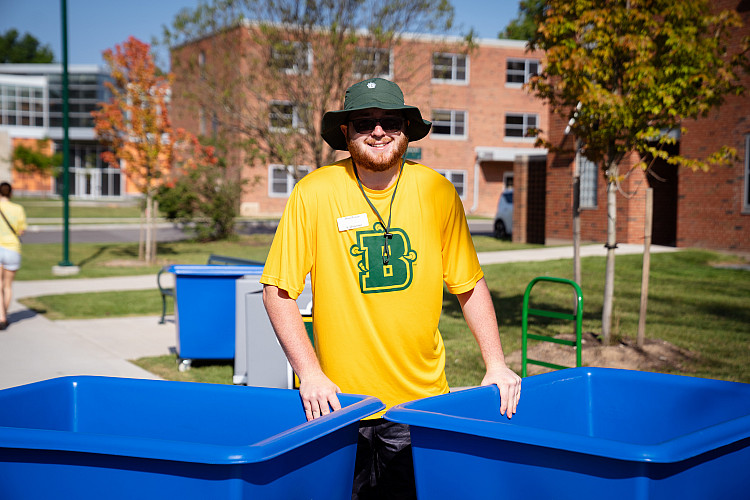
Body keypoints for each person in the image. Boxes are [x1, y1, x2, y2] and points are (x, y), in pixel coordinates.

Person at [260, 78, 521, 499]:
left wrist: (496, 362)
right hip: (339, 405)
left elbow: (468, 284)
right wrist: (309, 374)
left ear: (405, 129)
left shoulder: (437, 191)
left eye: (390, 122)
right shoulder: (315, 192)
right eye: (365, 122)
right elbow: (278, 291)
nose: (378, 131)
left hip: (420, 406)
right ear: (345, 133)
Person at [0, 182, 26, 330]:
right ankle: (4, 316)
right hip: (12, 249)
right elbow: (21, 230)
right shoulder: (18, 209)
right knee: (7, 286)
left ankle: (0, 315)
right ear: (10, 193)